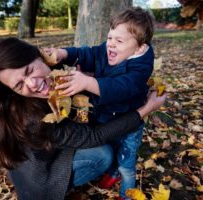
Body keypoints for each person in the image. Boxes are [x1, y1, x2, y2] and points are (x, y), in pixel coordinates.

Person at [0, 37, 165, 200]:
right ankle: (62, 185)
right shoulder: (31, 117)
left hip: (51, 150)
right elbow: (93, 136)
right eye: (19, 85)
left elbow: (93, 55)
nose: (33, 84)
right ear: (12, 92)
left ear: (38, 56)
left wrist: (88, 79)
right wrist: (145, 109)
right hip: (40, 179)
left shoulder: (58, 66)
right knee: (103, 154)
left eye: (29, 70)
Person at [46, 7, 155, 199]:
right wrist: (64, 53)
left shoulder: (141, 66)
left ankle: (127, 193)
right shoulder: (109, 49)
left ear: (139, 47)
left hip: (129, 123)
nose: (110, 44)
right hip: (107, 117)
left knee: (126, 162)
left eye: (119, 40)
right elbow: (88, 54)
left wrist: (88, 82)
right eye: (110, 37)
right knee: (111, 148)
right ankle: (112, 174)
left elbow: (121, 87)